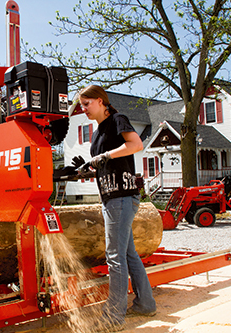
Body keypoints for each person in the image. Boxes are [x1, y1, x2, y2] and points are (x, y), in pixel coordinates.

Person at [77, 85, 156, 331]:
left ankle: (113, 317)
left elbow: (135, 145)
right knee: (128, 254)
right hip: (112, 197)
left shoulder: (117, 120)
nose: (83, 109)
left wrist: (105, 157)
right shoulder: (97, 132)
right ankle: (146, 304)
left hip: (121, 197)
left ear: (101, 101)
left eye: (87, 103)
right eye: (81, 105)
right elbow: (106, 164)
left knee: (115, 258)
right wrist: (87, 170)